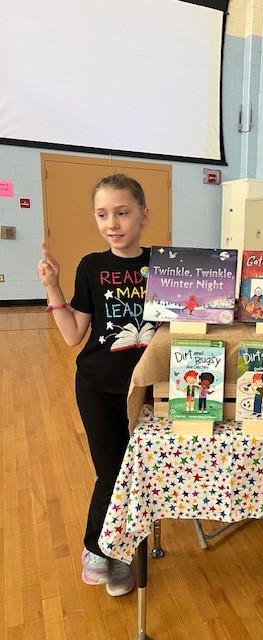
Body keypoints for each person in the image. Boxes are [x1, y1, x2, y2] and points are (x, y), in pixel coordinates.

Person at [38, 173, 156, 597]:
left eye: (122, 212)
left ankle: (123, 551)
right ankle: (102, 548)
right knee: (111, 472)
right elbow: (73, 336)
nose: (113, 223)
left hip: (151, 389)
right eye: (102, 214)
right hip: (97, 386)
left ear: (143, 214)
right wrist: (52, 288)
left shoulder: (165, 263)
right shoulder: (91, 266)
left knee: (139, 472)